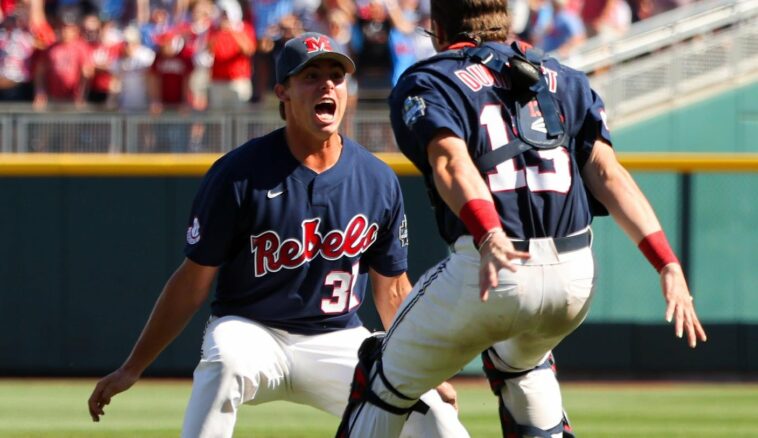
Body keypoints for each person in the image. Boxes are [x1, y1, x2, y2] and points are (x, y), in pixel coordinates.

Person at [336, 1, 708, 436]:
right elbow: (608, 172)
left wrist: (490, 232)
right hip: (574, 278)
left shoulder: (431, 79)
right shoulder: (565, 77)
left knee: (380, 380)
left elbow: (452, 164)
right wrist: (667, 262)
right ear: (506, 21)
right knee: (522, 364)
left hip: (491, 267)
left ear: (437, 28)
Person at [87, 31, 468, 438]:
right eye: (311, 76)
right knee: (225, 363)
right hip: (252, 331)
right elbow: (193, 281)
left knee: (434, 415)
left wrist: (422, 368)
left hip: (338, 338)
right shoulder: (238, 174)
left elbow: (392, 291)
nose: (327, 85)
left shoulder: (376, 179)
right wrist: (133, 366)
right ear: (282, 92)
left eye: (336, 76)